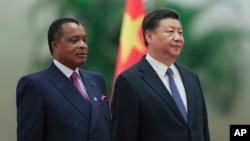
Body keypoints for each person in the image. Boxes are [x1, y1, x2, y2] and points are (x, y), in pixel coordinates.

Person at [111, 9, 210, 141]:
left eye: (180, 33)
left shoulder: (191, 77)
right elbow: (123, 136)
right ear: (149, 36)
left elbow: (202, 130)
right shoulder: (129, 81)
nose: (178, 37)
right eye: (170, 32)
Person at [16, 18, 111, 141]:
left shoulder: (96, 80)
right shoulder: (35, 85)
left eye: (85, 40)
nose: (82, 45)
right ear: (55, 45)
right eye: (74, 40)